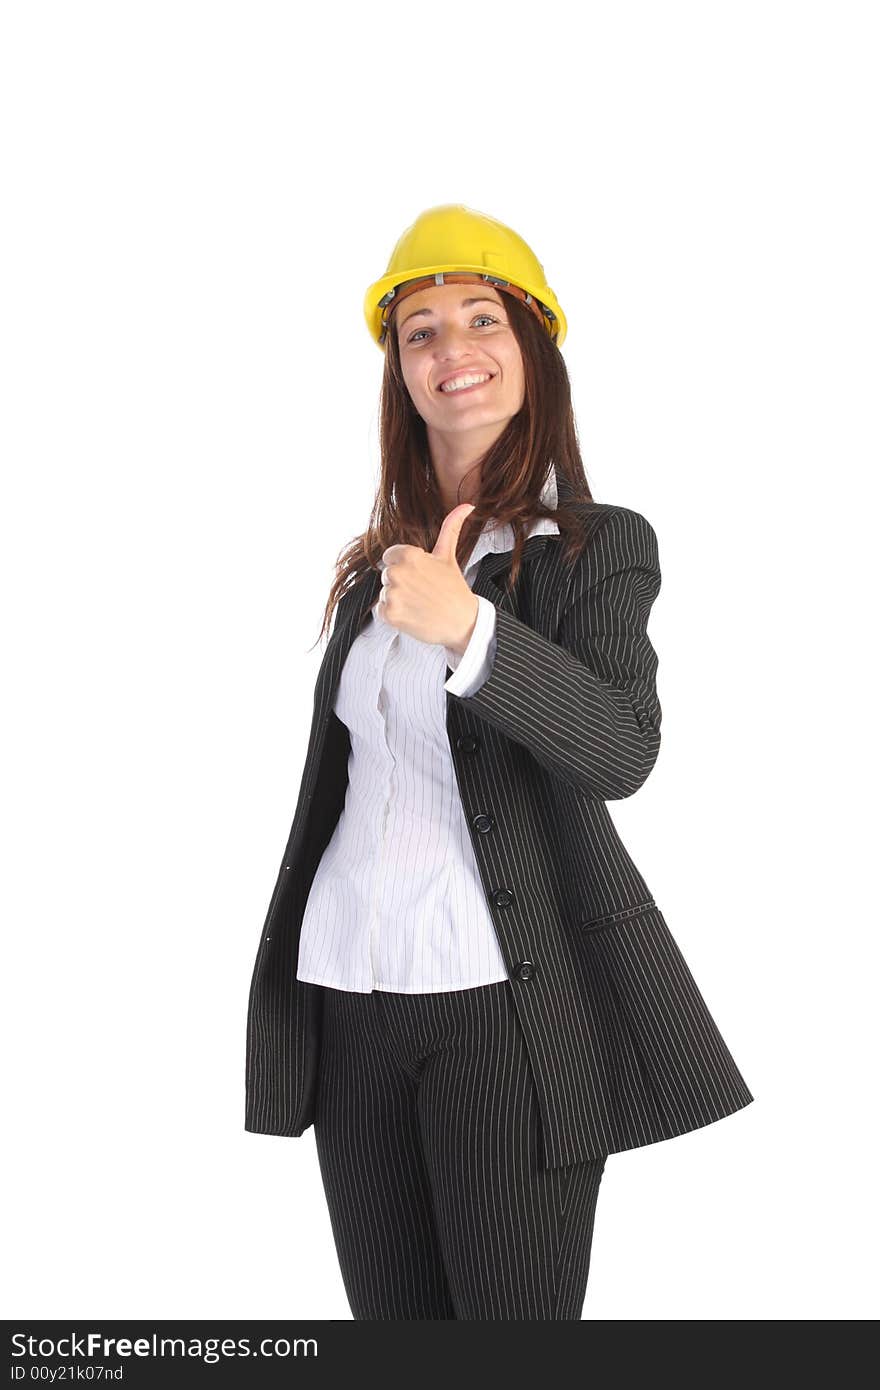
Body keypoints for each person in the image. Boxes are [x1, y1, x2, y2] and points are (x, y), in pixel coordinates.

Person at [244, 203, 755, 1320]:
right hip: (347, 999)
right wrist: (409, 598)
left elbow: (622, 749)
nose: (450, 350)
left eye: (482, 319)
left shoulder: (598, 548)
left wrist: (472, 630)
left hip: (503, 1009)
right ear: (399, 370)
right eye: (419, 330)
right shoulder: (371, 570)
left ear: (531, 353)